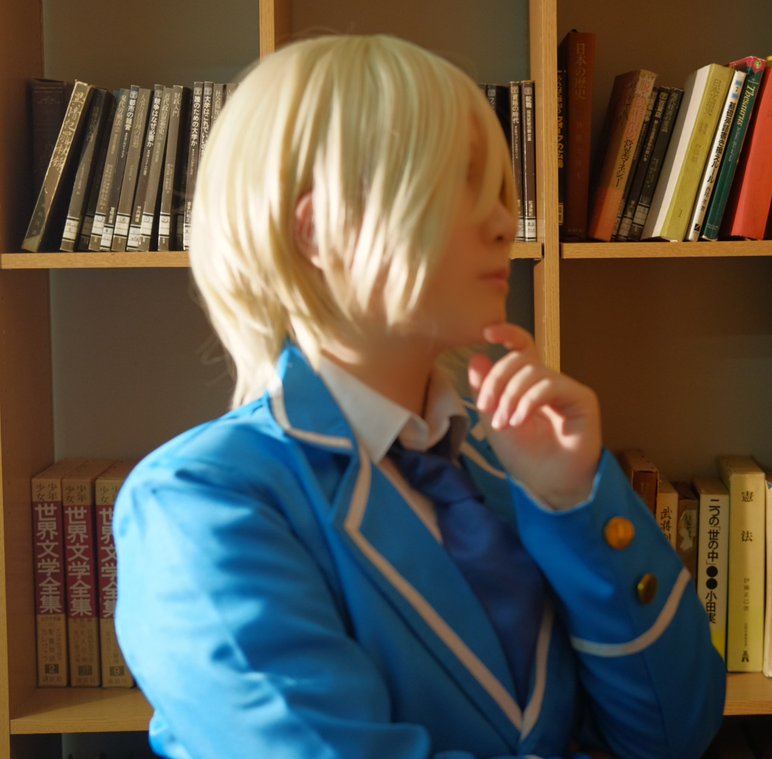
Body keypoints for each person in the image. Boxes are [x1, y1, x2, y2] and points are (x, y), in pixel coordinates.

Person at [114, 33, 726, 758]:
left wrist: (572, 503)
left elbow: (673, 732)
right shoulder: (200, 501)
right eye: (459, 180)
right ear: (317, 230)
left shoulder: (505, 469)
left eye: (498, 188)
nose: (505, 221)